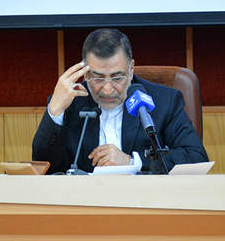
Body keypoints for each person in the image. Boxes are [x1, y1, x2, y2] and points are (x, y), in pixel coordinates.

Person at [32, 28, 209, 174]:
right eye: (98, 78)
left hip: (145, 200)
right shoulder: (70, 102)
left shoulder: (164, 101)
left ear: (131, 69)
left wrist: (132, 161)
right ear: (85, 74)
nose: (108, 89)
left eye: (117, 78)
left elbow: (196, 158)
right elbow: (45, 166)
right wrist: (54, 112)